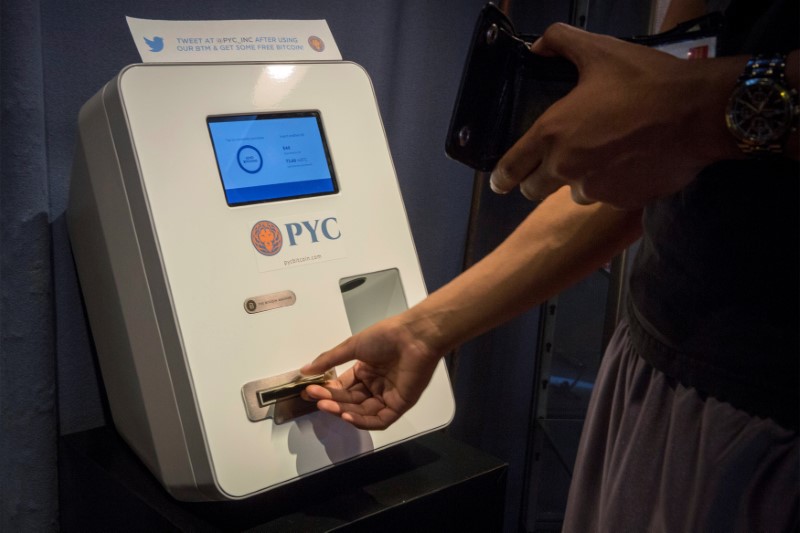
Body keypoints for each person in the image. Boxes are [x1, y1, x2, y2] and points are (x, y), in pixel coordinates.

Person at [302, 0, 799, 529]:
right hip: (650, 382)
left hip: (770, 419)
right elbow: (648, 177)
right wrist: (425, 329)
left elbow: (675, 126)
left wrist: (710, 104)